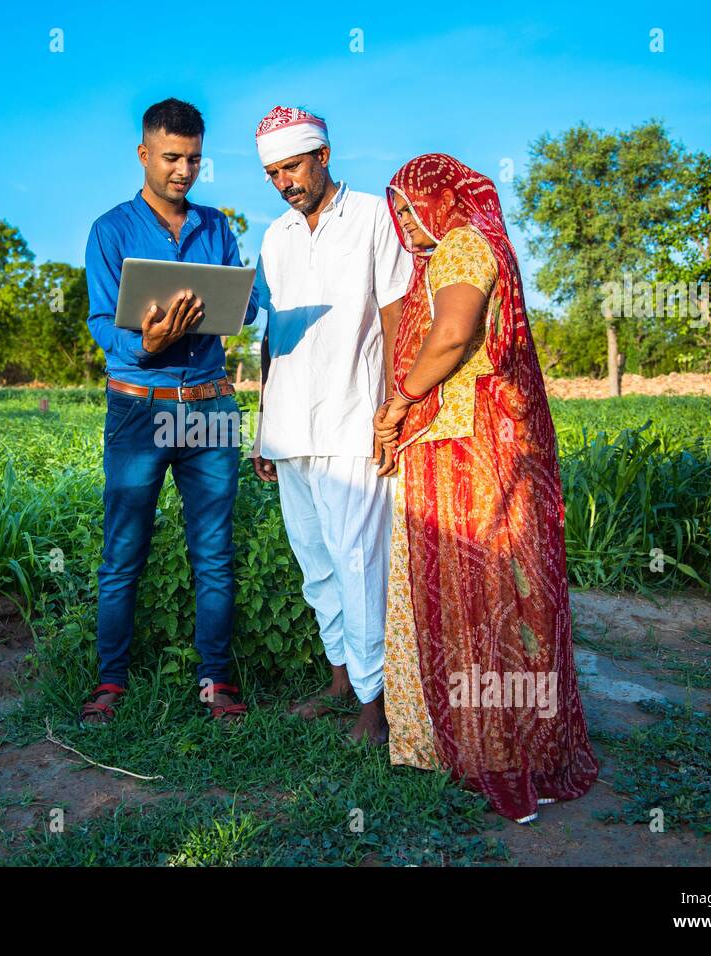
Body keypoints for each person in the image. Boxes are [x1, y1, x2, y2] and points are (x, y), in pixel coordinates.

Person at [372, 153, 598, 822]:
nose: (407, 226)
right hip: (477, 441)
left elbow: (451, 334)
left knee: (476, 601)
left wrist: (399, 400)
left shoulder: (463, 248)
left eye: (413, 210)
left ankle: (494, 756)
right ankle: (512, 747)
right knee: (495, 596)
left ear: (443, 203)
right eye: (400, 213)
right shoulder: (470, 247)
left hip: (464, 452)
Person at [81, 98, 259, 726]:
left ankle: (216, 682)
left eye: (194, 158)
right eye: (171, 157)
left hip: (208, 409)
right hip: (138, 408)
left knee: (213, 551)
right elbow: (103, 321)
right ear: (144, 155)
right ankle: (111, 683)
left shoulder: (217, 228)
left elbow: (249, 302)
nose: (184, 170)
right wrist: (146, 343)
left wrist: (243, 303)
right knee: (123, 551)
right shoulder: (110, 230)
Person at [250, 106, 411, 744]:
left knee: (359, 561)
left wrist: (395, 403)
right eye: (271, 172)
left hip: (353, 422)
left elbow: (397, 314)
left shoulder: (375, 216)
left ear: (323, 155)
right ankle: (341, 678)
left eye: (291, 166)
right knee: (315, 560)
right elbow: (272, 335)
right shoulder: (274, 237)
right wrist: (265, 422)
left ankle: (378, 703)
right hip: (290, 428)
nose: (284, 181)